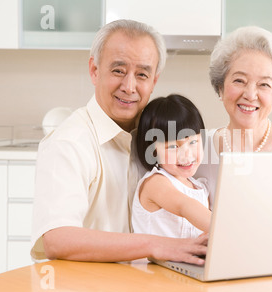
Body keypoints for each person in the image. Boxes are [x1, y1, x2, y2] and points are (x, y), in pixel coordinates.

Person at [30, 20, 207, 265]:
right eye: (118, 71)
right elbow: (56, 239)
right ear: (94, 70)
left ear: (154, 81)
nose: (129, 86)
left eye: (142, 75)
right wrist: (154, 245)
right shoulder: (69, 142)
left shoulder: (157, 140)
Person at [196, 26, 272, 203]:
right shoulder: (197, 151)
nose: (250, 95)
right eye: (239, 81)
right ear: (220, 87)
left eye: (264, 84)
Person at [132, 95, 211, 238]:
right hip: (153, 260)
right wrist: (224, 229)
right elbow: (184, 206)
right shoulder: (156, 182)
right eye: (173, 146)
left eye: (193, 142)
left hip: (185, 259)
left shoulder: (200, 187)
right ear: (152, 150)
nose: (186, 154)